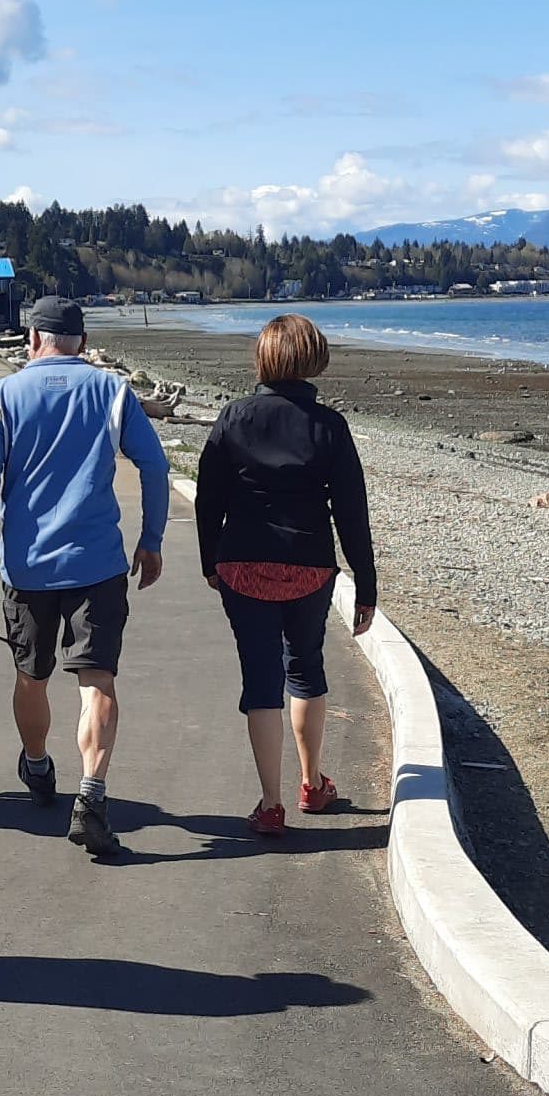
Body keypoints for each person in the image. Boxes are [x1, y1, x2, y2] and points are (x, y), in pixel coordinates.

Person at [0, 293, 170, 860]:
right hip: (97, 564)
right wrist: (151, 540)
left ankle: (39, 765)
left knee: (32, 677)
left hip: (27, 568)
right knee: (98, 681)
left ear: (31, 341)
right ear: (84, 344)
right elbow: (155, 464)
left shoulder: (4, 395)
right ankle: (92, 795)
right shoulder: (112, 390)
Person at [195, 313, 377, 835]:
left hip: (243, 564)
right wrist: (366, 584)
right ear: (312, 358)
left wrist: (211, 561)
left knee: (260, 680)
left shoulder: (233, 417)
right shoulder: (329, 426)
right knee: (305, 668)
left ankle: (270, 803)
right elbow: (351, 511)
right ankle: (312, 784)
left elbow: (210, 499)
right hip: (308, 566)